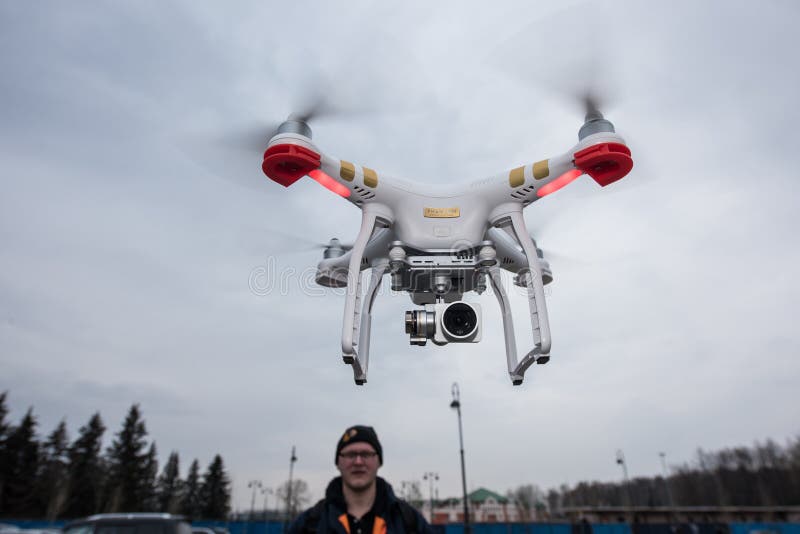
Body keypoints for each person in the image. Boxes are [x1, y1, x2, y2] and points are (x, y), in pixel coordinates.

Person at [288, 425, 435, 534]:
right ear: (338, 462)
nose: (358, 462)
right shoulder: (309, 524)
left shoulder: (409, 522)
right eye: (350, 455)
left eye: (366, 454)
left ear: (379, 462)